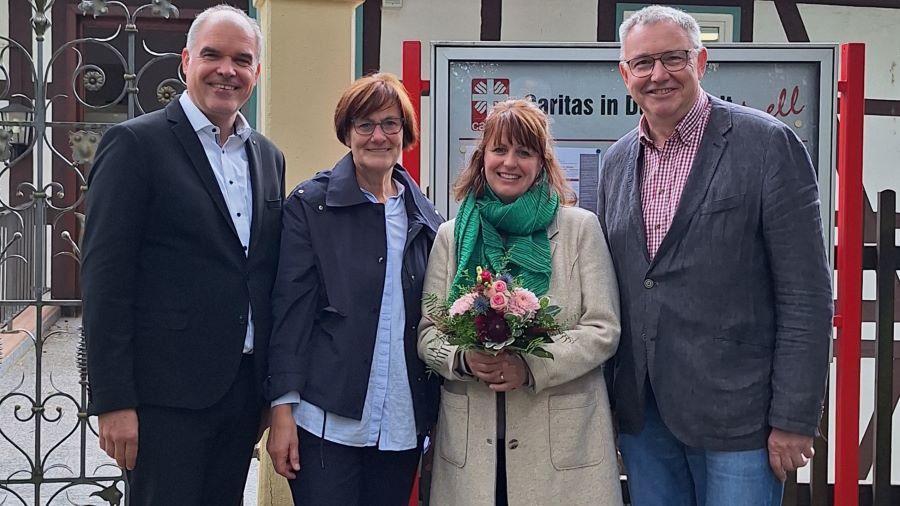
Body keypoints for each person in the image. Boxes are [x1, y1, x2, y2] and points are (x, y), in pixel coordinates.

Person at [597, 5, 833, 506]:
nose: (658, 75)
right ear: (624, 74)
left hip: (741, 420)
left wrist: (793, 418)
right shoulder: (616, 162)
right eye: (643, 63)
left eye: (673, 58)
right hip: (645, 416)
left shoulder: (767, 145)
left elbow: (806, 296)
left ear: (701, 61)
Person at [81, 5, 284, 503]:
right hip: (162, 401)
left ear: (256, 72)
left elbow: (258, 272)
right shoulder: (134, 145)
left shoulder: (267, 156)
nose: (227, 70)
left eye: (242, 59)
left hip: (239, 395)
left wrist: (267, 391)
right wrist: (113, 401)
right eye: (212, 55)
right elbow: (105, 281)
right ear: (185, 62)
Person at [419, 99, 623, 506]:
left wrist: (529, 365)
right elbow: (428, 333)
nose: (509, 162)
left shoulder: (579, 229)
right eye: (499, 149)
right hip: (472, 453)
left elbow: (604, 329)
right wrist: (462, 359)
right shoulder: (451, 235)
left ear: (541, 163)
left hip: (559, 450)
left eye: (524, 152)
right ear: (482, 158)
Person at [265, 72, 443, 506]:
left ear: (406, 132)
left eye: (390, 124)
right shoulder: (311, 206)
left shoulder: (427, 218)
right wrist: (281, 411)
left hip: (401, 422)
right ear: (347, 132)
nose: (378, 136)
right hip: (326, 421)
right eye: (365, 125)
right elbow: (290, 312)